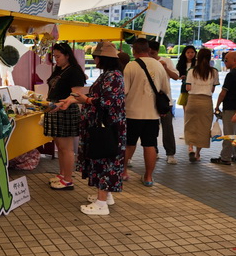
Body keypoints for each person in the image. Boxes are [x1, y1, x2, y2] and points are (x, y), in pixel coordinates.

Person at [56, 41, 125, 216]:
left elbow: (107, 102)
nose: (94, 60)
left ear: (102, 58)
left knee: (104, 160)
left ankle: (101, 204)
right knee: (103, 158)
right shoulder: (110, 75)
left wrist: (85, 100)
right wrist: (73, 99)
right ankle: (105, 196)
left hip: (106, 127)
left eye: (96, 57)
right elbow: (99, 96)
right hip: (105, 126)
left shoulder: (113, 76)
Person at [123, 38, 170, 186]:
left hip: (132, 113)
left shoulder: (130, 66)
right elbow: (166, 90)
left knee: (129, 144)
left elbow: (124, 91)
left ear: (134, 51)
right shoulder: (158, 65)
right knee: (150, 145)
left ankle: (123, 172)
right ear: (148, 50)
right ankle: (148, 177)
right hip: (152, 114)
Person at [44, 42, 86, 190]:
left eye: (58, 56)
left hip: (66, 110)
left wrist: (61, 104)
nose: (56, 59)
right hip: (55, 109)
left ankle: (68, 179)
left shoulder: (74, 71)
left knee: (67, 148)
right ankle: (62, 175)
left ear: (67, 55)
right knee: (60, 147)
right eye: (54, 56)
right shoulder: (59, 69)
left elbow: (76, 95)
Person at [211, 51, 236, 165]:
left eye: (226, 60)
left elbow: (224, 92)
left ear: (234, 61)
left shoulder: (231, 75)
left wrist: (217, 106)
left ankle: (225, 157)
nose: (225, 62)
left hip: (230, 108)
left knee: (229, 134)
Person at [184, 48, 219, 162]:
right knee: (204, 127)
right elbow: (213, 89)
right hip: (206, 101)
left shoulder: (191, 71)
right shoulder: (214, 71)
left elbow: (188, 87)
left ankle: (190, 148)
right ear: (209, 58)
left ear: (197, 57)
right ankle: (197, 154)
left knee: (190, 125)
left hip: (192, 101)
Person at [148, 40, 179, 164]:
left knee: (167, 128)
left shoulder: (166, 61)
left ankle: (170, 154)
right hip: (149, 100)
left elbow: (176, 76)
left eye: (153, 53)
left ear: (156, 51)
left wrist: (165, 68)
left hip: (165, 101)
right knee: (151, 129)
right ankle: (154, 151)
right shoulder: (145, 62)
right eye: (149, 53)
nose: (151, 55)